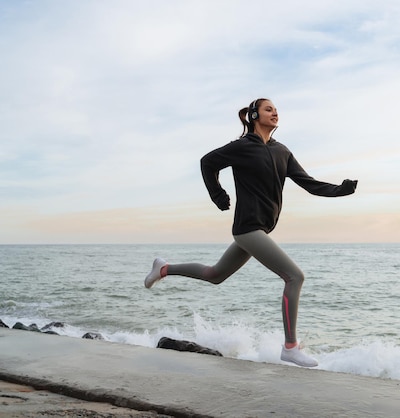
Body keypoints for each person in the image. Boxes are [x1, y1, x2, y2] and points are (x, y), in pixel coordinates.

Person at [144, 98, 357, 367]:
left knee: (214, 275)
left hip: (261, 229)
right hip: (248, 227)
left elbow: (309, 184)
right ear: (255, 115)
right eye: (269, 109)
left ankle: (163, 268)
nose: (275, 113)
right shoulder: (242, 147)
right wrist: (218, 195)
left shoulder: (282, 151)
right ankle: (290, 346)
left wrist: (341, 189)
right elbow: (207, 163)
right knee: (294, 276)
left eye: (277, 110)